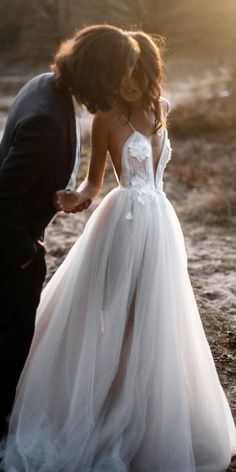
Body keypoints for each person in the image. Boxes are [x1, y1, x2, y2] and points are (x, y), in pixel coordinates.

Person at [1, 31, 236, 472]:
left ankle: (143, 407)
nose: (125, 83)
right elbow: (95, 181)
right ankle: (105, 404)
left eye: (133, 74)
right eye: (121, 74)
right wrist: (77, 197)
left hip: (161, 224)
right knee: (113, 312)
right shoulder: (105, 116)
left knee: (154, 314)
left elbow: (157, 168)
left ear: (147, 73)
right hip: (121, 221)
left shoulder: (162, 110)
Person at [0, 24, 139, 440]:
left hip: (21, 234)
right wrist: (26, 254)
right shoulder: (47, 118)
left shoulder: (47, 86)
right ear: (103, 71)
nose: (127, 79)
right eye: (123, 70)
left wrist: (54, 194)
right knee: (12, 339)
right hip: (11, 248)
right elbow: (2, 194)